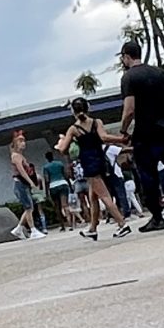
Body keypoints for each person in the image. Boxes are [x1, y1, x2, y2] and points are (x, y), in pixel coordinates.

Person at [115, 37, 164, 233]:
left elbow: (129, 109)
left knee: (148, 175)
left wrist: (124, 130)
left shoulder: (129, 78)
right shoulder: (159, 72)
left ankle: (158, 217)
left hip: (145, 132)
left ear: (126, 56)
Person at [59, 99, 132, 239]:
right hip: (100, 159)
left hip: (88, 163)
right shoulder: (96, 122)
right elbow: (104, 137)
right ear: (88, 108)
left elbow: (63, 149)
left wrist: (63, 143)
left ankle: (122, 224)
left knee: (104, 196)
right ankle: (93, 228)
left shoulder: (73, 129)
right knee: (93, 197)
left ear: (73, 112)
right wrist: (120, 139)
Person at [6, 130, 43, 237]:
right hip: (21, 184)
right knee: (29, 208)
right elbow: (21, 171)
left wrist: (35, 177)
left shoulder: (20, 156)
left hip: (23, 184)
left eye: (24, 141)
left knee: (29, 207)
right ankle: (33, 230)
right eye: (20, 141)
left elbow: (28, 170)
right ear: (15, 143)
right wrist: (31, 182)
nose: (23, 143)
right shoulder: (16, 156)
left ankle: (18, 228)